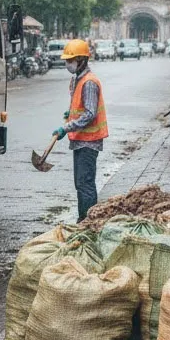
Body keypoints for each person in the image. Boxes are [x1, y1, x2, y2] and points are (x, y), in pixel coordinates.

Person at [50, 39, 108, 222]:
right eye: (67, 60)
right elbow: (80, 106)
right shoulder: (78, 79)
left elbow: (90, 114)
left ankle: (88, 222)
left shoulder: (89, 82)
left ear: (82, 60)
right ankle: (84, 220)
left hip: (89, 141)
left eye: (70, 60)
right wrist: (70, 113)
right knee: (81, 183)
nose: (67, 64)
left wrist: (66, 127)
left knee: (85, 184)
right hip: (80, 140)